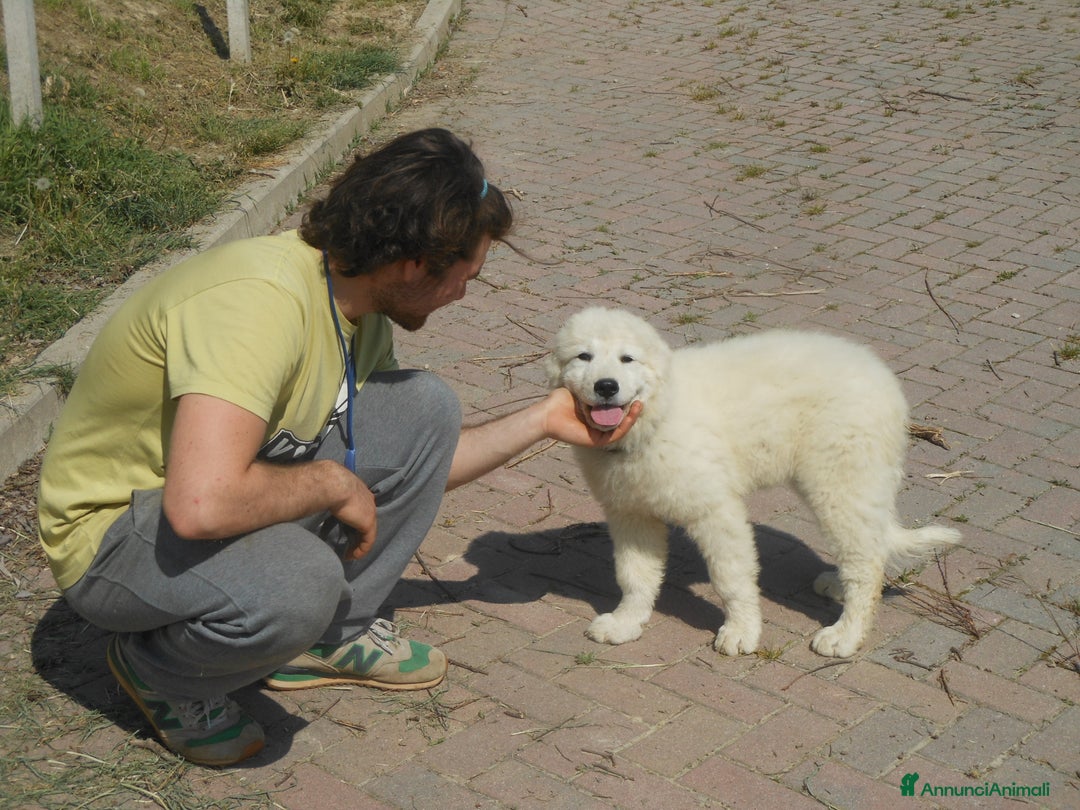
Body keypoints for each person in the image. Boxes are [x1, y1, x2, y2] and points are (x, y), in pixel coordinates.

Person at [36, 128, 639, 767]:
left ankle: (331, 638)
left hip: (187, 503)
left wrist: (544, 420)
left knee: (425, 407)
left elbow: (415, 466)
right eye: (466, 275)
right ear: (414, 263)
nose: (464, 293)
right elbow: (201, 506)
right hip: (111, 539)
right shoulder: (257, 304)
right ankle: (164, 672)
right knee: (300, 580)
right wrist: (329, 483)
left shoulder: (354, 303)